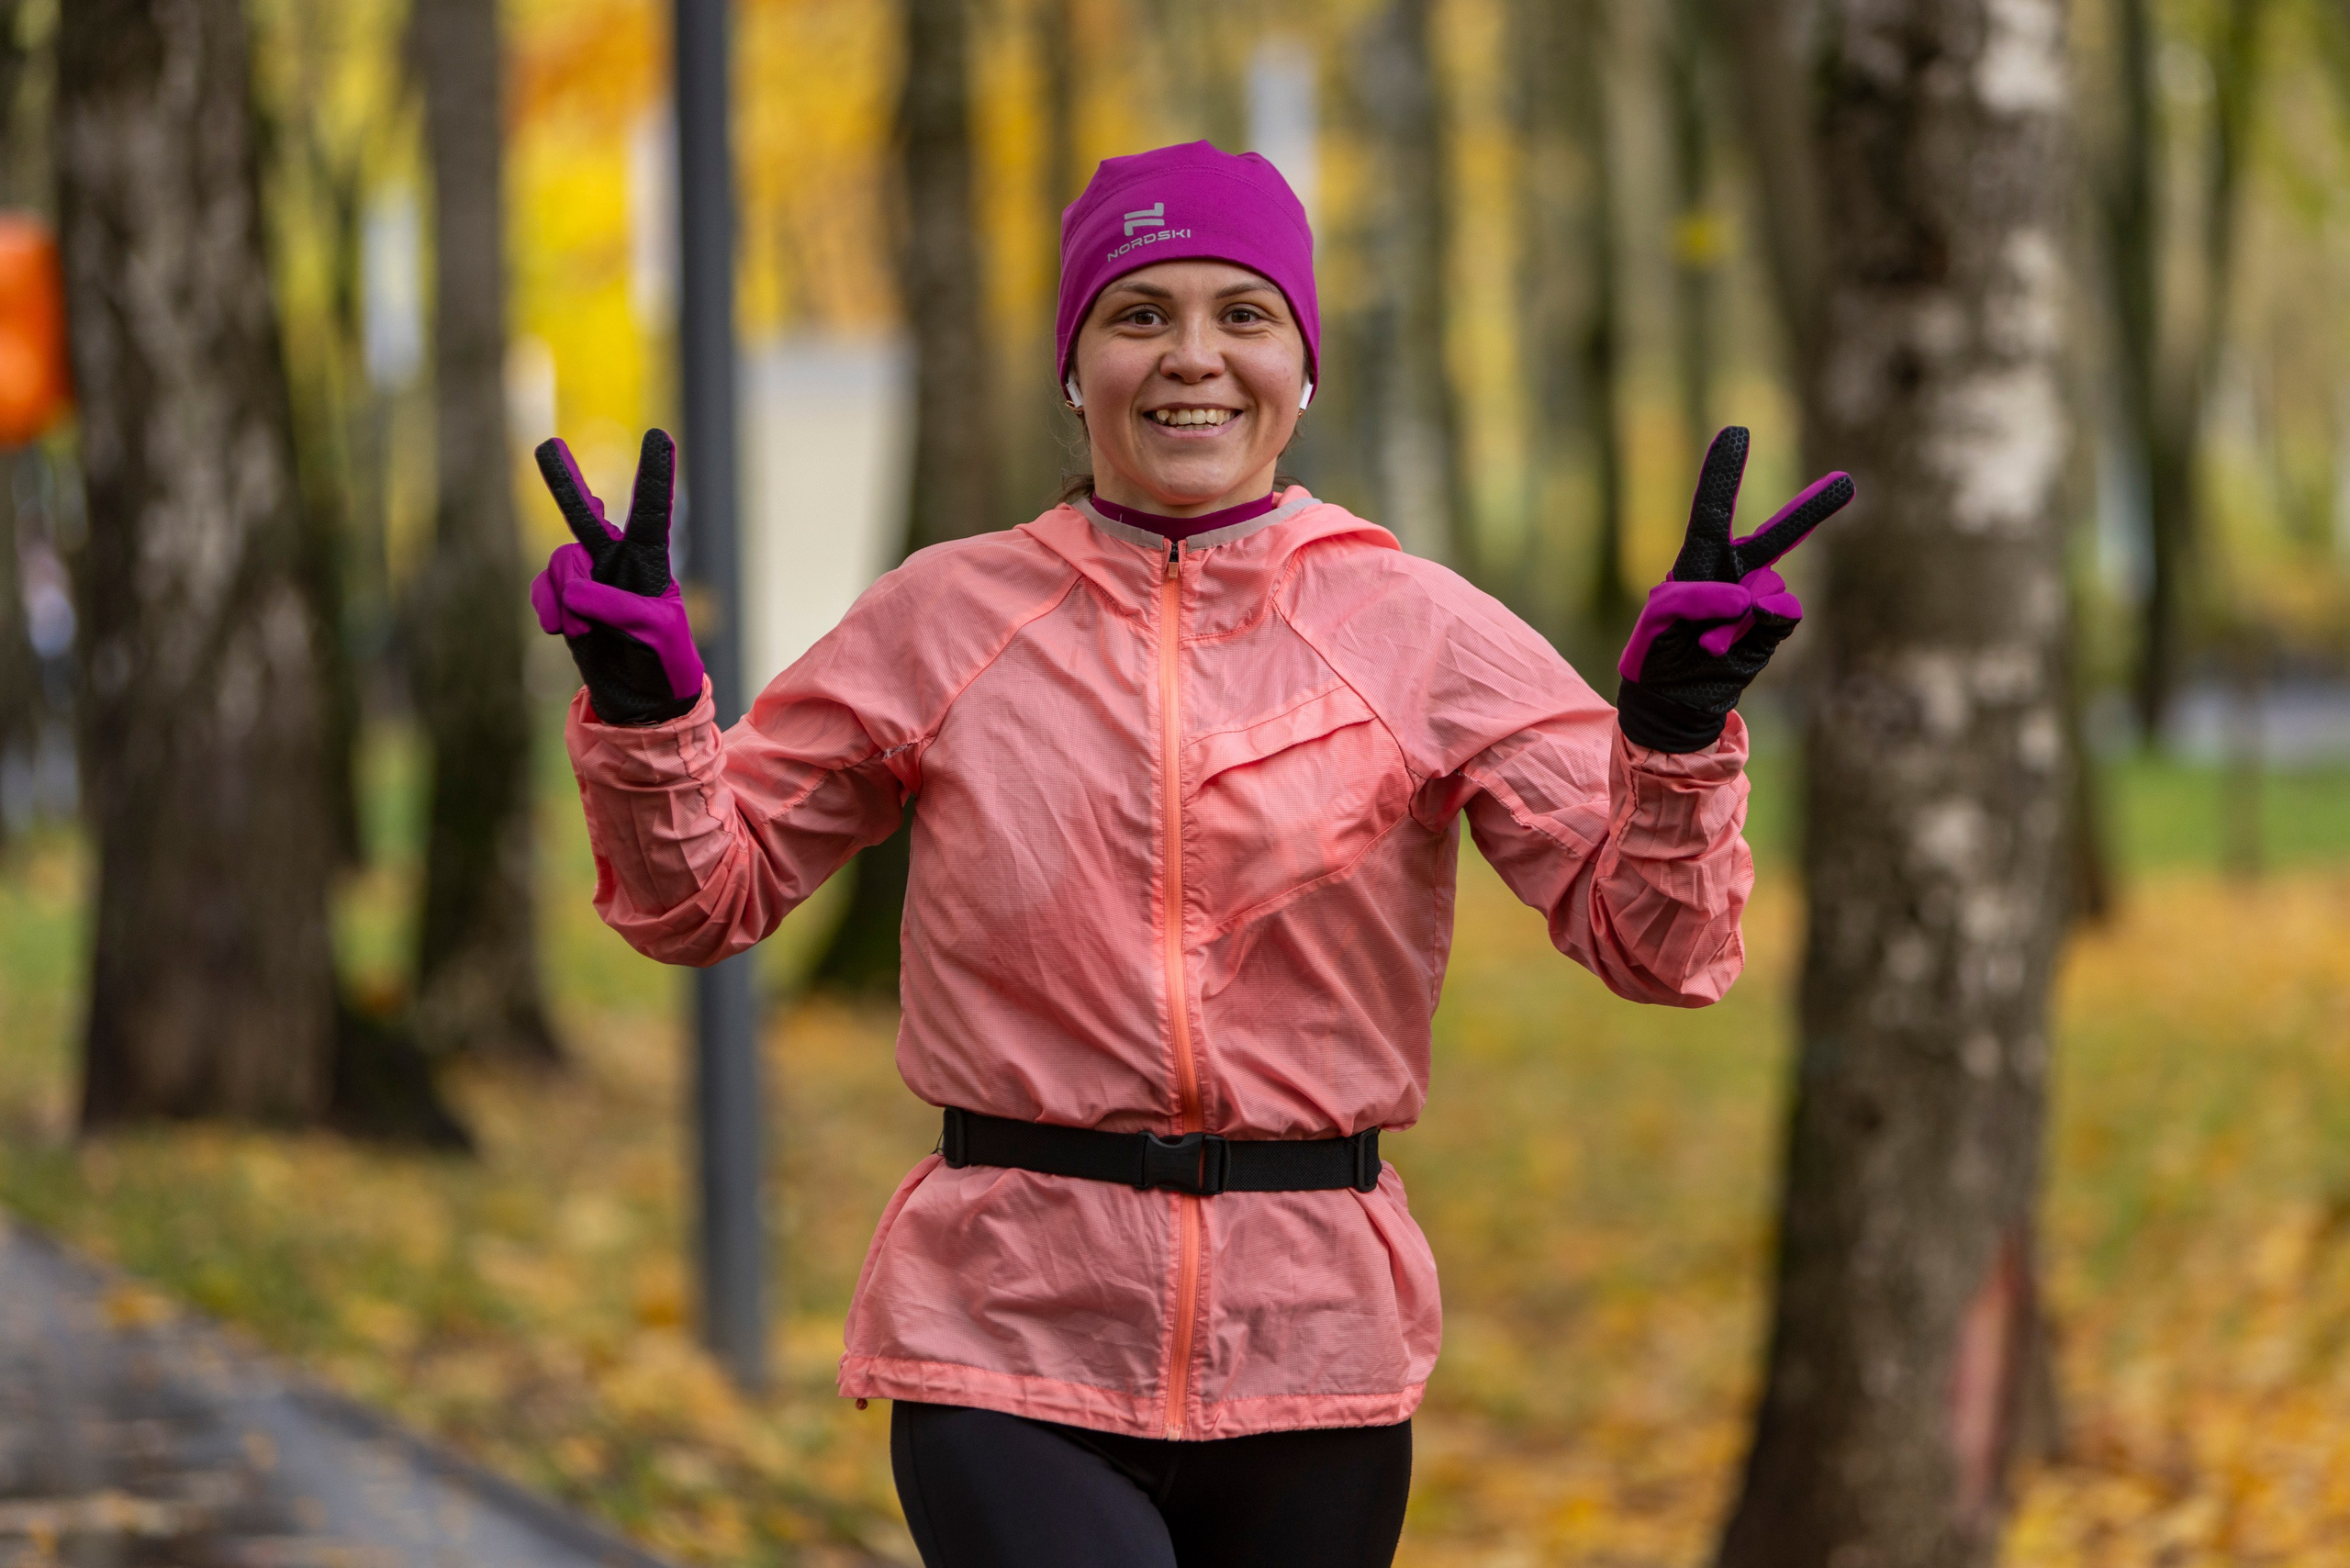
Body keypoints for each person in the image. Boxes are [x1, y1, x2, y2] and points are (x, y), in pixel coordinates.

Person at [529, 140, 1850, 1568]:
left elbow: (1663, 948)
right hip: (1007, 1326)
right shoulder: (943, 616)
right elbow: (698, 901)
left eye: (1243, 314)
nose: (1192, 358)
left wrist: (1673, 739)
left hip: (1316, 1342)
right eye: (1139, 314)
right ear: (1074, 362)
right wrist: (652, 716)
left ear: (1305, 364)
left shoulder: (1423, 629)